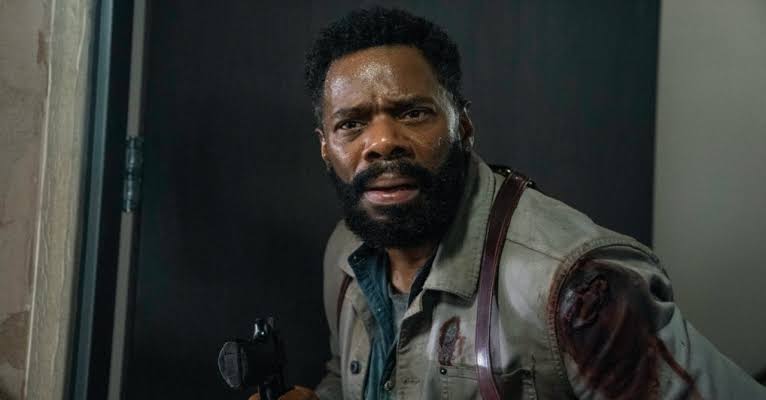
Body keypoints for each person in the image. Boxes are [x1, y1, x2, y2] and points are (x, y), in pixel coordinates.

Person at [256, 6, 766, 400]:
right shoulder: (346, 253)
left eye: (412, 113)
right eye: (351, 123)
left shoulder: (576, 286)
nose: (383, 141)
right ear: (325, 146)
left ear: (463, 126)